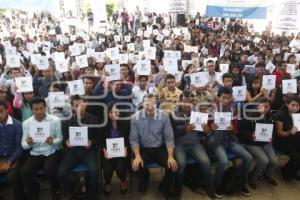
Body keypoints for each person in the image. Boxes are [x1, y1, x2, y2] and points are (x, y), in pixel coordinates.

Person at [169, 92, 218, 198]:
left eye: (190, 102)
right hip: (179, 144)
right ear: (180, 102)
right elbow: (170, 134)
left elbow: (202, 133)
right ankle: (178, 188)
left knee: (206, 162)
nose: (187, 104)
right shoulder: (173, 115)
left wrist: (207, 131)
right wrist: (184, 130)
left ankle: (208, 186)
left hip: (195, 143)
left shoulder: (198, 114)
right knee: (181, 164)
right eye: (185, 101)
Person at [129, 93, 178, 199]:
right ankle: (145, 177)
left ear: (157, 104)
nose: (150, 107)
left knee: (172, 166)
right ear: (143, 104)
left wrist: (170, 156)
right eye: (147, 104)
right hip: (144, 149)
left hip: (159, 148)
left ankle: (164, 187)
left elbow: (169, 137)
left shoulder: (164, 116)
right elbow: (134, 139)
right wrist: (137, 156)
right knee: (135, 167)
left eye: (153, 104)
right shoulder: (135, 118)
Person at [207, 86, 253, 197]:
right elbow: (205, 131)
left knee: (248, 158)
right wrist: (210, 127)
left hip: (228, 140)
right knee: (223, 161)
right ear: (218, 98)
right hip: (216, 141)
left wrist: (233, 128)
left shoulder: (233, 109)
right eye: (223, 98)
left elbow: (235, 130)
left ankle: (238, 180)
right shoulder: (211, 109)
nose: (226, 100)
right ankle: (217, 185)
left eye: (228, 98)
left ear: (231, 98)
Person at [21, 97, 63, 200]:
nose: (39, 111)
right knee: (25, 171)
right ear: (31, 110)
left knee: (49, 169)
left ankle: (56, 190)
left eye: (41, 108)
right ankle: (34, 189)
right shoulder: (26, 123)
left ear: (45, 107)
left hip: (51, 151)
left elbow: (60, 138)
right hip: (35, 152)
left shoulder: (55, 120)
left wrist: (53, 141)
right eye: (36, 109)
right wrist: (28, 142)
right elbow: (23, 144)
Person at [58, 95, 99, 200]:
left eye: (81, 104)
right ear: (72, 107)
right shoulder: (66, 121)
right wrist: (66, 143)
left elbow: (98, 138)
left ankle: (92, 195)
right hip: (72, 151)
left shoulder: (93, 119)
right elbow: (63, 140)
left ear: (85, 104)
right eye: (76, 105)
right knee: (62, 172)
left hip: (88, 150)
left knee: (94, 171)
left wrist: (92, 143)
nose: (79, 107)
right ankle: (68, 193)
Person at [238, 97, 278, 189]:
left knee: (274, 161)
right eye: (261, 107)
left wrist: (272, 137)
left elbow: (274, 131)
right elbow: (241, 132)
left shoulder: (271, 117)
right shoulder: (249, 116)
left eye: (267, 107)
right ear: (257, 107)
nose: (264, 109)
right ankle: (252, 177)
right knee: (264, 160)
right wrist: (250, 135)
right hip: (251, 143)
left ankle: (268, 175)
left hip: (265, 142)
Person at [101, 103, 130, 196]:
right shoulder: (104, 124)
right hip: (108, 153)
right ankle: (108, 182)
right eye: (111, 112)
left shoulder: (126, 123)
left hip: (122, 153)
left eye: (116, 111)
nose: (113, 114)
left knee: (120, 168)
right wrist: (104, 151)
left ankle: (123, 181)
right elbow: (100, 140)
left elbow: (129, 139)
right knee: (107, 170)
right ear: (108, 114)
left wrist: (126, 148)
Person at [0, 100, 25, 200]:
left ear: (7, 110)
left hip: (16, 157)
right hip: (1, 157)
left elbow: (20, 148)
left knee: (11, 177)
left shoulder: (17, 125)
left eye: (1, 111)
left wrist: (9, 162)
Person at [274, 95, 300, 182]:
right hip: (281, 140)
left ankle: (293, 171)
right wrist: (290, 132)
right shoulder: (280, 115)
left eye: (297, 105)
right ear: (287, 104)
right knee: (296, 158)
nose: (295, 107)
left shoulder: (297, 114)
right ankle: (285, 171)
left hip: (294, 138)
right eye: (293, 105)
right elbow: (279, 133)